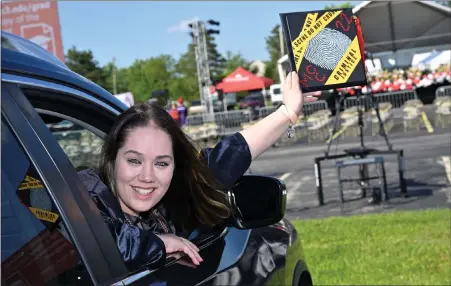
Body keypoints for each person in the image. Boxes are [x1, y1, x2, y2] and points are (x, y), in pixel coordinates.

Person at [77, 71, 316, 271]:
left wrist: (288, 112)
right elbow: (97, 241)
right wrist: (159, 244)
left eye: (161, 163)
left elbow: (229, 156)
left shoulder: (170, 202)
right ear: (112, 158)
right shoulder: (82, 196)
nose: (147, 177)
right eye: (134, 161)